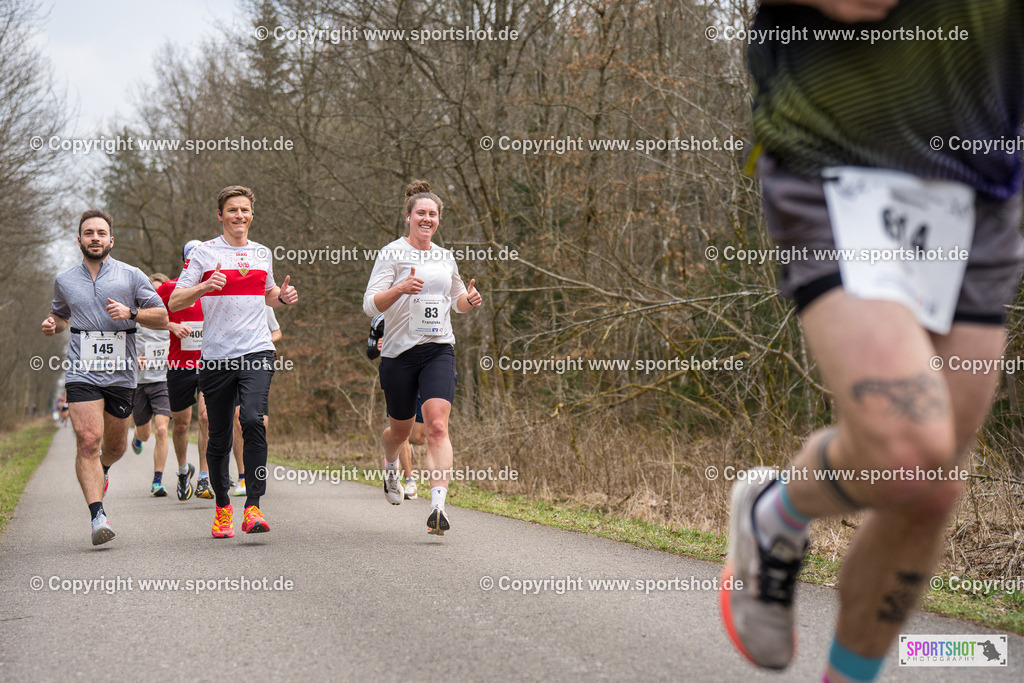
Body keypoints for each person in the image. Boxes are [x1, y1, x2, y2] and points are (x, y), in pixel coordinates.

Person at [720, 3, 1024, 682]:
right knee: (911, 449)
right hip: (839, 148)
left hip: (981, 183)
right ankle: (776, 514)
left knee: (932, 489)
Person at [170, 186, 297, 538]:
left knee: (254, 420)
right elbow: (177, 300)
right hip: (216, 356)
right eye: (232, 210)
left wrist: (281, 297)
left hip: (257, 349)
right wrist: (205, 286)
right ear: (220, 215)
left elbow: (267, 294)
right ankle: (223, 506)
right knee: (218, 433)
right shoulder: (205, 254)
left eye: (245, 210)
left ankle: (254, 506)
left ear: (252, 215)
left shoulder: (262, 253)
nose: (239, 215)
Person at [41, 209, 168, 545]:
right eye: (88, 233)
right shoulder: (65, 280)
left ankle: (105, 469)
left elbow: (162, 316)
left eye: (100, 233)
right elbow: (61, 314)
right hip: (82, 371)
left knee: (114, 446)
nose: (94, 238)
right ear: (79, 239)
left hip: (122, 376)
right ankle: (98, 515)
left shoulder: (131, 276)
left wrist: (132, 313)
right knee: (87, 440)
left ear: (111, 239)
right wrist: (54, 324)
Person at [362, 179, 482, 534]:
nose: (426, 219)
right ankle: (389, 467)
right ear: (408, 217)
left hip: (439, 349)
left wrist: (470, 300)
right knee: (399, 431)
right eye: (421, 213)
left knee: (437, 425)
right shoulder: (391, 253)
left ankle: (438, 507)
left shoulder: (446, 257)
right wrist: (400, 288)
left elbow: (458, 302)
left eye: (432, 214)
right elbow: (370, 304)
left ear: (438, 219)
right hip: (399, 354)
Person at [130, 273, 195, 499]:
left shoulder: (175, 318)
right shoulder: (135, 317)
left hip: (162, 381)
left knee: (161, 430)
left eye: (160, 292)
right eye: (152, 291)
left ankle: (157, 481)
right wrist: (132, 359)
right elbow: (120, 342)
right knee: (145, 433)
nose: (156, 297)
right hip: (139, 382)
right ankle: (138, 437)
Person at [157, 240, 212, 499]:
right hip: (179, 365)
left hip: (210, 363)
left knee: (206, 418)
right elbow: (151, 316)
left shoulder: (215, 288)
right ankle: (182, 470)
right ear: (185, 261)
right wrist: (171, 326)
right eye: (192, 257)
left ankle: (203, 477)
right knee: (180, 425)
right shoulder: (169, 288)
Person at [367, 314, 425, 499]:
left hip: (423, 371)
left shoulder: (418, 306)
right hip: (397, 374)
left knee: (419, 437)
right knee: (403, 433)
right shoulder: (379, 319)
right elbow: (370, 351)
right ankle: (409, 481)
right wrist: (376, 347)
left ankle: (399, 449)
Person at [231, 305, 282, 497]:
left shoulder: (262, 300)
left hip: (256, 364)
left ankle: (256, 470)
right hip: (229, 363)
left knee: (259, 421)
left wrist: (261, 342)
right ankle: (243, 475)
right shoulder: (223, 300)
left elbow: (277, 331)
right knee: (238, 417)